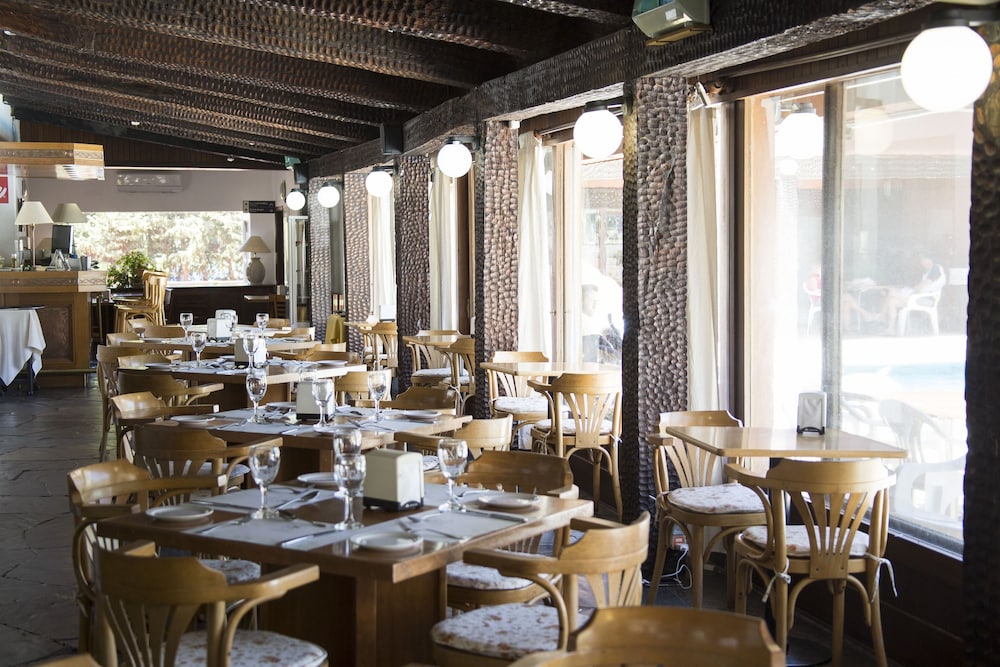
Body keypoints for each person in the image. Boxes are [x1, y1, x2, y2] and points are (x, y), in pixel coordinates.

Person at [882, 253, 946, 333]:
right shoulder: (928, 272)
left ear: (929, 259)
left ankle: (881, 317)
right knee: (892, 300)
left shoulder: (936, 268)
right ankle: (891, 328)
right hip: (919, 297)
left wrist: (913, 289)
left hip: (925, 299)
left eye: (922, 260)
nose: (921, 262)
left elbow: (924, 285)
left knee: (892, 291)